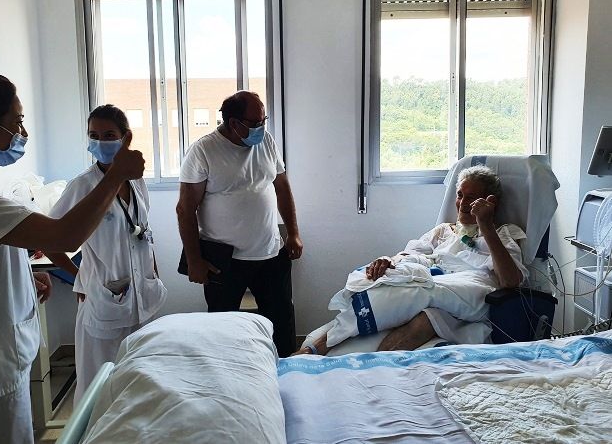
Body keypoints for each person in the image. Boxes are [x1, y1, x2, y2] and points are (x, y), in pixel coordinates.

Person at [0, 73, 144, 444]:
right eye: (17, 121)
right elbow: (64, 235)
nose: (22, 133)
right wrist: (115, 176)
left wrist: (23, 277)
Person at [295, 165, 526, 356]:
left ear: (490, 202)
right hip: (436, 297)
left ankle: (318, 348)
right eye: (459, 195)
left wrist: (486, 226)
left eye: (472, 197)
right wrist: (389, 261)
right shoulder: (443, 231)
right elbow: (409, 254)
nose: (463, 203)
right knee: (399, 288)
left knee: (420, 288)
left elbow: (510, 281)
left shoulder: (504, 234)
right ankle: (344, 358)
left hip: (471, 292)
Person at [45, 104, 167, 405]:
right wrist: (81, 278)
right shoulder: (82, 186)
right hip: (103, 302)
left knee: (139, 379)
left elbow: (143, 231)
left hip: (142, 296)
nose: (100, 142)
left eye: (109, 135)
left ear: (126, 138)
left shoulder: (136, 180)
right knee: (99, 388)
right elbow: (50, 242)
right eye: (94, 135)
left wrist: (153, 273)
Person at [176, 90, 303, 357]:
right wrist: (194, 260)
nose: (262, 128)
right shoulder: (204, 150)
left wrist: (293, 233)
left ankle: (286, 373)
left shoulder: (266, 141)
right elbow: (185, 209)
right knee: (222, 330)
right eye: (256, 122)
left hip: (270, 254)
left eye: (264, 120)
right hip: (224, 261)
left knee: (281, 323)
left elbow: (282, 187)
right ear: (234, 123)